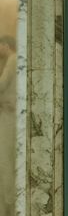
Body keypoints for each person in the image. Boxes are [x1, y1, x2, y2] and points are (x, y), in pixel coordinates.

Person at [0, 35, 17, 216]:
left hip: (9, 116)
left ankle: (8, 203)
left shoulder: (12, 59)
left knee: (5, 159)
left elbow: (2, 84)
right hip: (11, 113)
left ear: (5, 45)